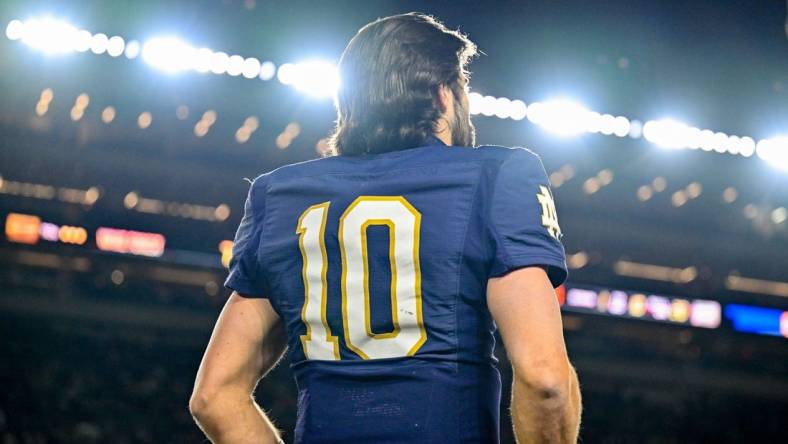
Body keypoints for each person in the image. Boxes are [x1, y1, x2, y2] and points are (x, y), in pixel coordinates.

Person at [190, 12, 581, 444]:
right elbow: (545, 379)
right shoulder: (498, 175)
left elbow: (213, 396)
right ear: (443, 96)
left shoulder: (277, 194)